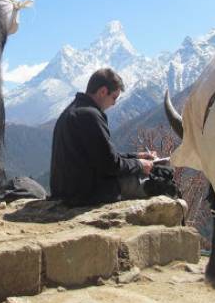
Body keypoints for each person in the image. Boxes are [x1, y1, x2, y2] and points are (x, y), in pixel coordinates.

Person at [49, 68, 157, 206]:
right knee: (159, 180)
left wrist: (137, 156)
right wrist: (140, 165)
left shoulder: (72, 111)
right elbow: (110, 165)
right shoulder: (90, 116)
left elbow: (101, 155)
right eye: (114, 98)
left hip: (65, 190)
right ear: (103, 92)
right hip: (87, 194)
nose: (114, 103)